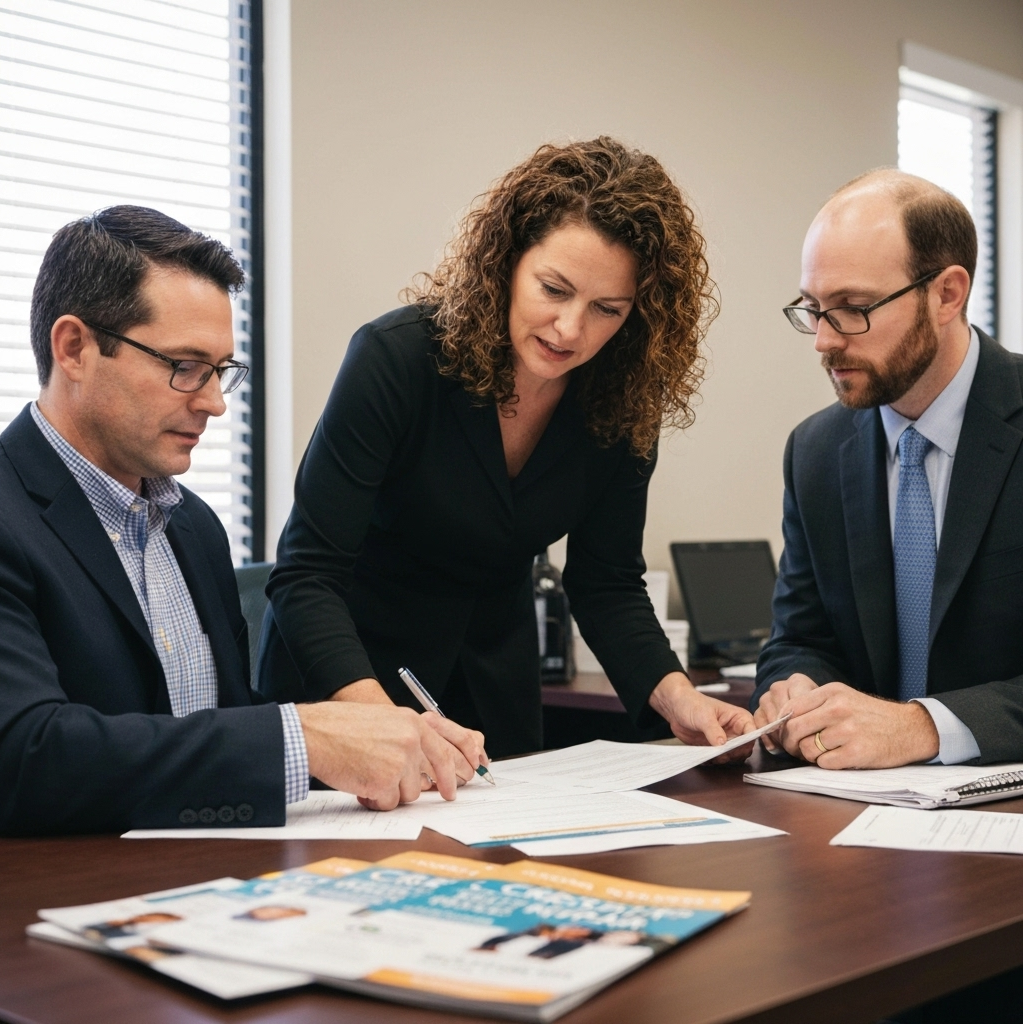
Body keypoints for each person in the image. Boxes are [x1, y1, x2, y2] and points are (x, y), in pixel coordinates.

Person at [258, 137, 755, 757]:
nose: (571, 329)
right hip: (347, 684)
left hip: (493, 689)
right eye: (554, 289)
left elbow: (608, 585)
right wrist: (379, 723)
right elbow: (308, 575)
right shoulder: (398, 360)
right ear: (506, 263)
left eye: (607, 309)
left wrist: (678, 695)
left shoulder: (621, 402)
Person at [0, 206, 485, 837]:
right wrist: (306, 738)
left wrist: (375, 743)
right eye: (185, 367)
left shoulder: (194, 528)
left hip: (210, 888)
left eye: (221, 370)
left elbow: (215, 729)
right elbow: (25, 755)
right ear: (75, 349)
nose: (215, 403)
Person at [752, 168, 1023, 771]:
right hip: (857, 812)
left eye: (852, 308)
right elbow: (799, 639)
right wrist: (795, 688)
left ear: (948, 294)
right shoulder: (816, 451)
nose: (822, 340)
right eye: (812, 308)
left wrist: (923, 728)